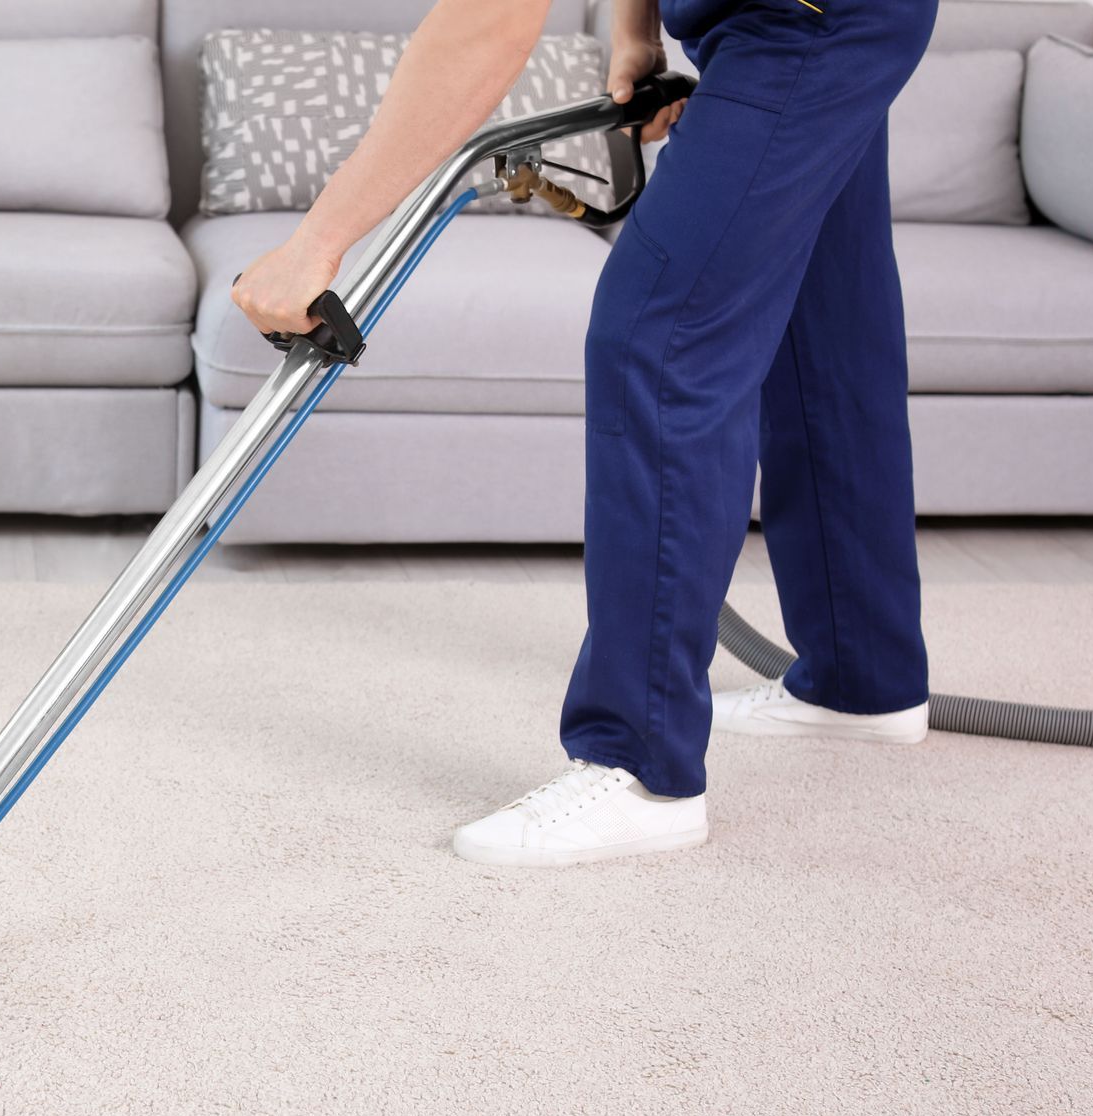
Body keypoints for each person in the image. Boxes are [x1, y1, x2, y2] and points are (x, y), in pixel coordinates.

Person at [232, 0, 936, 866]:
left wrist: (318, 241)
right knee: (824, 330)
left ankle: (640, 766)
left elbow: (484, 27)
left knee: (659, 335)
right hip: (821, 18)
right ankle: (861, 680)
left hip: (808, 26)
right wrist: (638, 28)